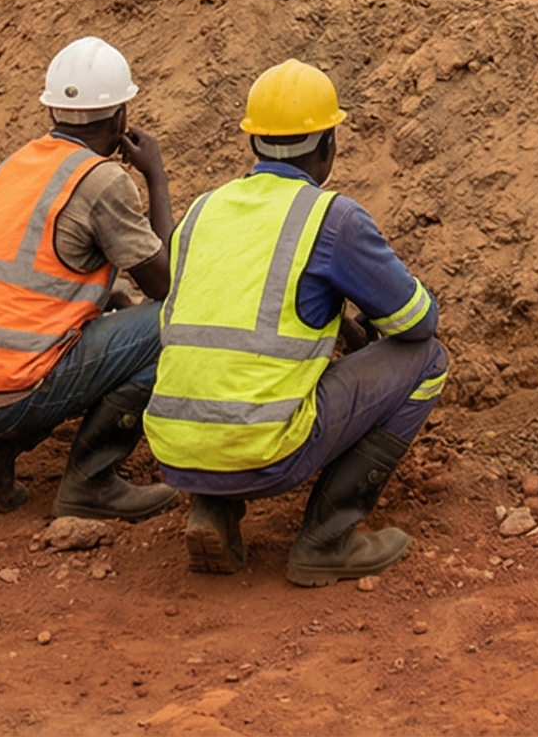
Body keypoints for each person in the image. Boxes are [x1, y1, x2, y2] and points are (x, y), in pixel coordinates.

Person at [146, 60, 447, 586]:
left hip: (174, 447)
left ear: (253, 144)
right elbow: (417, 321)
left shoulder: (202, 210)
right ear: (328, 145)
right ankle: (327, 539)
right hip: (264, 451)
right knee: (428, 360)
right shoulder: (332, 218)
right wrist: (357, 313)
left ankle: (213, 511)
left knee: (230, 376)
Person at [0, 36, 177, 521]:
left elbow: (35, 280)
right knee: (174, 323)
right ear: (121, 115)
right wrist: (157, 177)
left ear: (52, 111)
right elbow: (167, 284)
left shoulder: (13, 166)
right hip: (8, 392)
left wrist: (109, 300)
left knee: (85, 330)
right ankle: (92, 481)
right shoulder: (101, 180)